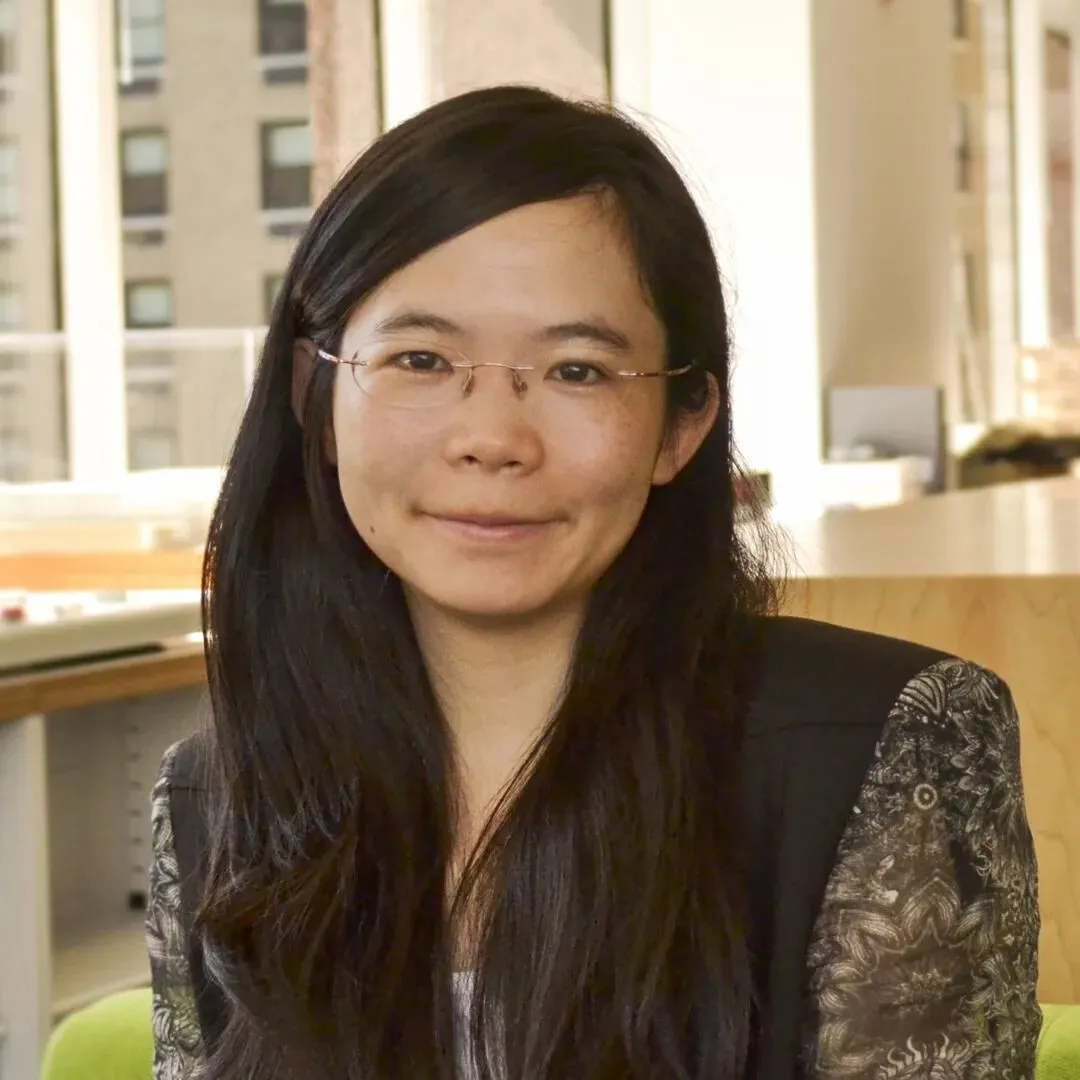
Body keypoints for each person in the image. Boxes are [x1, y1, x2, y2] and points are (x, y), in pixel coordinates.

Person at [146, 86, 1040, 1080]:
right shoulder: (216, 795)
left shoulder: (882, 745)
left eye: (576, 370)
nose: (492, 437)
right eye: (421, 358)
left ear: (683, 425)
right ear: (314, 397)